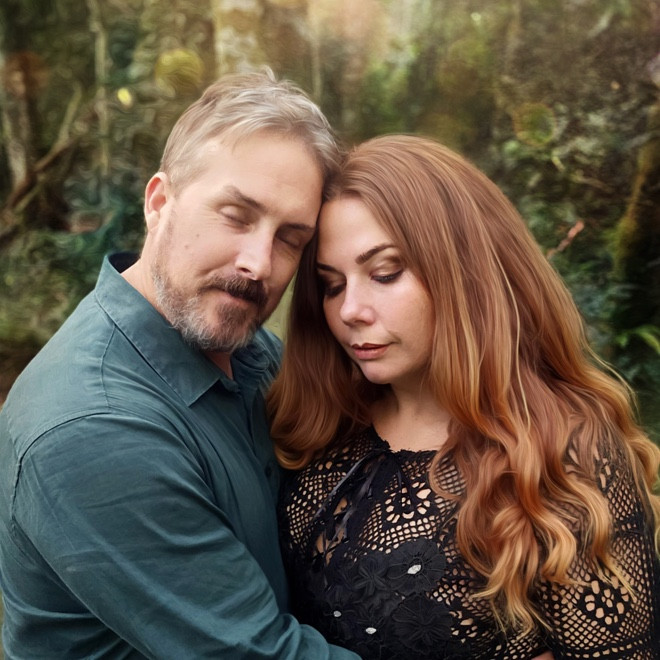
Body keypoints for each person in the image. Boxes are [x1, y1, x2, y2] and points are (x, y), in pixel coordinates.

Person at [0, 70, 360, 658]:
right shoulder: (93, 427)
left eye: (290, 239)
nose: (259, 264)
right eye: (236, 215)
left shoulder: (251, 353)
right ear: (159, 203)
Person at [268, 134, 660, 659]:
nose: (349, 310)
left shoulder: (565, 452)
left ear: (463, 272)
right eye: (332, 285)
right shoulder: (318, 425)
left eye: (385, 273)